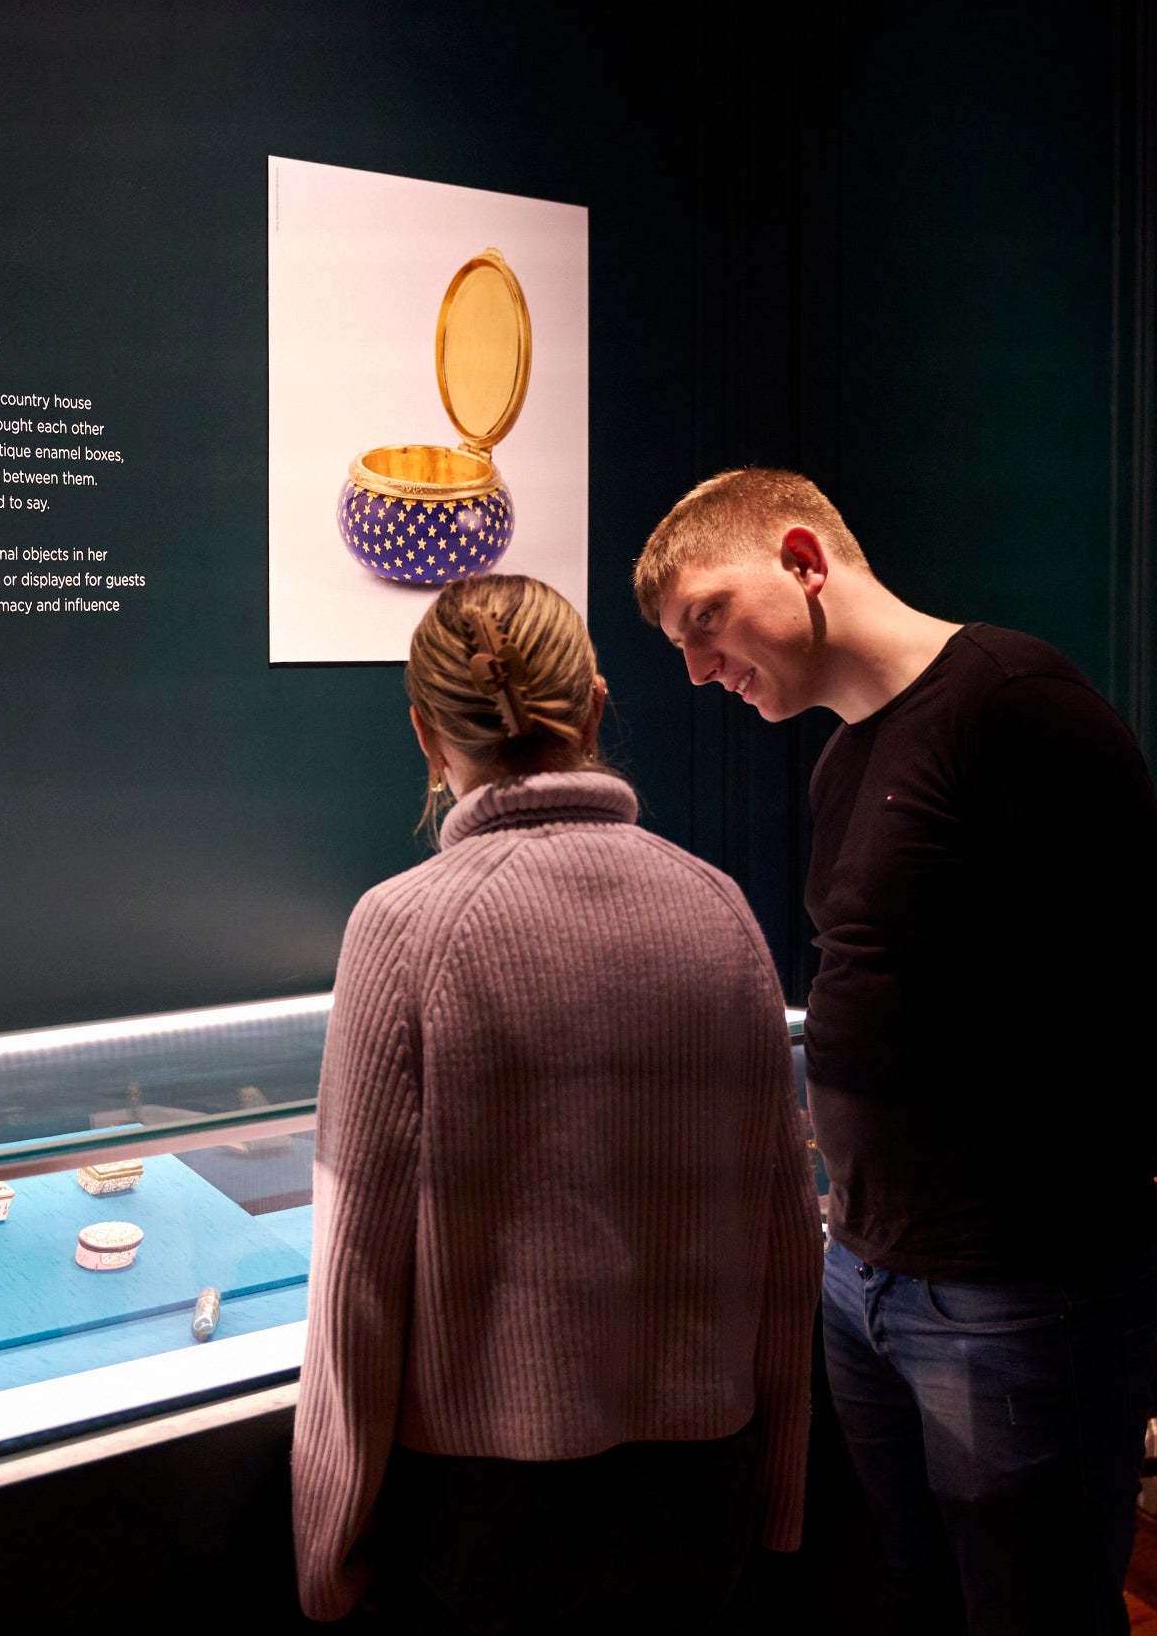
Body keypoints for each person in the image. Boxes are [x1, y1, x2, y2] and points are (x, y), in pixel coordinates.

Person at [633, 468, 1157, 1635]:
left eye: (705, 617)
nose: (699, 669)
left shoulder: (1012, 701)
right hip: (867, 1276)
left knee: (1032, 1608)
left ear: (802, 558)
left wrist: (1088, 1182)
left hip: (1012, 1290)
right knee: (913, 1596)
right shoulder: (843, 755)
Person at [292, 573, 822, 1630]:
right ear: (590, 703)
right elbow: (782, 1231)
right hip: (701, 1489)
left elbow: (357, 1264)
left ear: (425, 735)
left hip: (488, 1514)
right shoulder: (718, 906)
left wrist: (328, 1539)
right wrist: (778, 1491)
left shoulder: (403, 926)